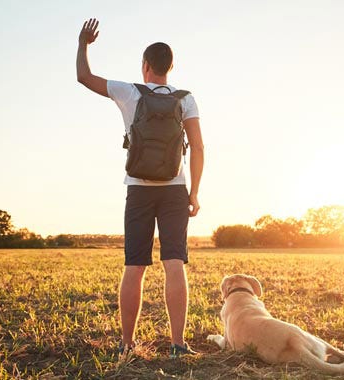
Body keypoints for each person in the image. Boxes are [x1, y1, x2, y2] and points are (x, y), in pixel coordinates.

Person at [75, 18, 204, 358]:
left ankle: (127, 344)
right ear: (170, 67)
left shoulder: (129, 92)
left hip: (139, 189)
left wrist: (83, 44)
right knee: (174, 263)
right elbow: (199, 147)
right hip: (176, 189)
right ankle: (178, 344)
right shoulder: (186, 99)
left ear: (145, 66)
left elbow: (84, 78)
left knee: (135, 265)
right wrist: (194, 193)